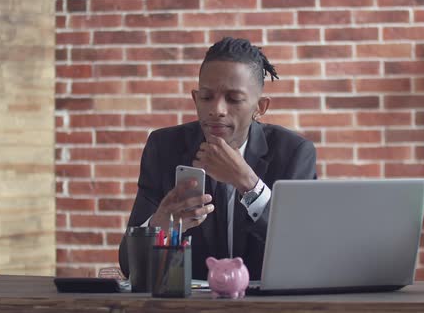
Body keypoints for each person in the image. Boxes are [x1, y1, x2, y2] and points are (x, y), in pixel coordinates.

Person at [120, 37, 317, 280]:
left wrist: (249, 184)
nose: (217, 109)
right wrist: (158, 226)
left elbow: (305, 251)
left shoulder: (294, 153)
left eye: (233, 99)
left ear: (260, 107)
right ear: (195, 99)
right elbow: (129, 266)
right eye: (206, 97)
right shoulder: (164, 148)